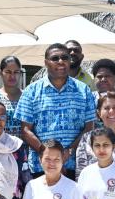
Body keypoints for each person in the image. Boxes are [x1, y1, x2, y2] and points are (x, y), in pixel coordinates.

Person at [15, 43, 96, 179]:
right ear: (46, 62)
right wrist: (47, 153)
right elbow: (25, 130)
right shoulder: (31, 91)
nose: (60, 61)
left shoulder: (84, 90)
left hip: (75, 166)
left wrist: (68, 152)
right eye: (55, 58)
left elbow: (89, 128)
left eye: (65, 58)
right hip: (41, 166)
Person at [0, 55, 23, 137]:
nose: (12, 76)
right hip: (0, 145)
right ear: (0, 73)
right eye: (8, 72)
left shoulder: (27, 96)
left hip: (23, 147)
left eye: (16, 72)